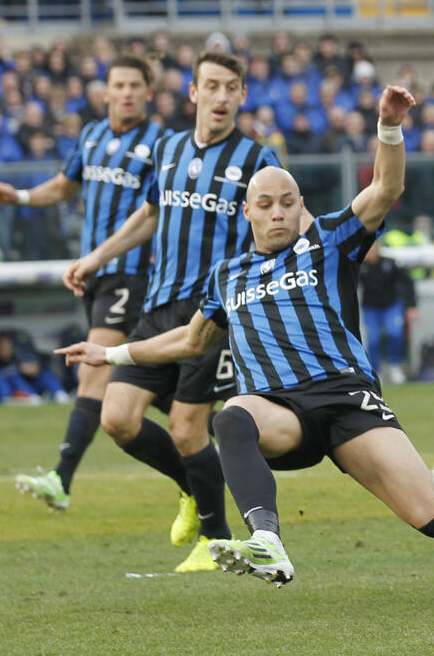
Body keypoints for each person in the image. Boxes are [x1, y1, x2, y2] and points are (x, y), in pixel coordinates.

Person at [55, 85, 434, 595]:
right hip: (280, 410)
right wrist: (109, 353)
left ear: (300, 205)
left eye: (287, 202)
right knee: (232, 417)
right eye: (265, 204)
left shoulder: (329, 240)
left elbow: (386, 190)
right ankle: (267, 540)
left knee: (426, 514)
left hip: (348, 400)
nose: (278, 212)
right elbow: (191, 340)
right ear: (248, 213)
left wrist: (389, 127)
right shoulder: (228, 275)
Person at [61, 50, 283, 573]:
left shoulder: (258, 160)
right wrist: (95, 257)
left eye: (232, 87)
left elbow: (289, 219)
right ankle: (192, 486)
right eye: (212, 86)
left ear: (242, 95)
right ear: (193, 92)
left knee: (189, 428)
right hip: (158, 303)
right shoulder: (168, 147)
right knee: (117, 419)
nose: (221, 96)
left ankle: (214, 538)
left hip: (212, 313)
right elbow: (149, 214)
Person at [0, 55, 167, 514]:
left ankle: (61, 479)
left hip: (133, 272)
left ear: (148, 93)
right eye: (117, 85)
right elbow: (64, 185)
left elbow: (166, 208)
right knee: (145, 382)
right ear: (104, 92)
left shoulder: (162, 144)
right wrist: (18, 196)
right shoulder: (92, 135)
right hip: (95, 274)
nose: (125, 93)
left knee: (93, 370)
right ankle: (220, 435)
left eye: (134, 86)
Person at [359, 240, 418, 384]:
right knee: (372, 339)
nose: (371, 251)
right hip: (371, 308)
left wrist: (411, 306)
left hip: (391, 306)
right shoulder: (359, 267)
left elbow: (408, 282)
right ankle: (376, 371)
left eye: (373, 247)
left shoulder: (390, 264)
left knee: (395, 334)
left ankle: (394, 366)